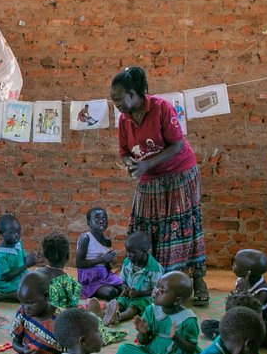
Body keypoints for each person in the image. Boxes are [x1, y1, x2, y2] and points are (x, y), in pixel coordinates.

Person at [110, 66, 209, 306]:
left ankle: (197, 279)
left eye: (119, 99)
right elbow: (123, 152)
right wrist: (131, 163)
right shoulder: (124, 120)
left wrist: (147, 164)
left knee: (184, 225)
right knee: (147, 230)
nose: (117, 105)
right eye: (113, 100)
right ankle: (153, 283)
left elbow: (177, 145)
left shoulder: (162, 108)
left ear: (133, 93)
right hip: (149, 178)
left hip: (179, 174)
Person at [109, 272, 199, 354]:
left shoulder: (188, 319)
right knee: (124, 350)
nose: (156, 291)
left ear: (177, 300)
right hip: (151, 353)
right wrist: (143, 333)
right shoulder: (151, 310)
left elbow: (191, 348)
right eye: (157, 286)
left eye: (162, 290)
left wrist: (175, 338)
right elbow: (143, 342)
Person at [40, 232, 126, 346]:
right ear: (67, 257)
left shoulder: (36, 275)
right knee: (88, 320)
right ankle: (97, 317)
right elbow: (71, 310)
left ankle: (97, 314)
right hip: (59, 327)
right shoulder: (70, 283)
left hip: (39, 322)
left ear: (45, 256)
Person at [202, 248, 267, 340]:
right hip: (238, 320)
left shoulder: (263, 291)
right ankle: (229, 337)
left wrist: (243, 292)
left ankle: (228, 338)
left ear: (247, 272)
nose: (233, 266)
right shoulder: (241, 281)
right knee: (206, 325)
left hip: (252, 326)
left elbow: (250, 313)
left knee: (247, 334)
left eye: (236, 264)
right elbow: (234, 307)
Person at [104, 231, 162, 325]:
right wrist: (124, 289)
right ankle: (109, 313)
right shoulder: (127, 262)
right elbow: (123, 281)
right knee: (120, 301)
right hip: (129, 295)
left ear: (144, 250)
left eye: (132, 252)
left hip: (144, 297)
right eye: (127, 251)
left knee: (133, 307)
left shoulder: (155, 268)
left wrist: (140, 293)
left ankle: (119, 317)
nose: (128, 255)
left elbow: (157, 290)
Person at [0, 214, 42, 304]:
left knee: (40, 281)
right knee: (27, 293)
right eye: (12, 233)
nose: (16, 235)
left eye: (18, 232)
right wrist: (26, 265)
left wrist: (33, 258)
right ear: (1, 233)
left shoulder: (18, 243)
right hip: (6, 282)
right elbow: (7, 277)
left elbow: (23, 260)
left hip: (20, 275)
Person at [75, 207, 123, 305]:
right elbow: (79, 263)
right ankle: (92, 294)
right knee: (111, 292)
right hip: (89, 278)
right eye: (96, 219)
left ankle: (119, 303)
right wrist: (102, 259)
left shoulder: (107, 241)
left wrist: (109, 260)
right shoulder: (86, 238)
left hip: (104, 274)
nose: (101, 221)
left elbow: (108, 267)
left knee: (124, 288)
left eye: (104, 219)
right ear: (89, 223)